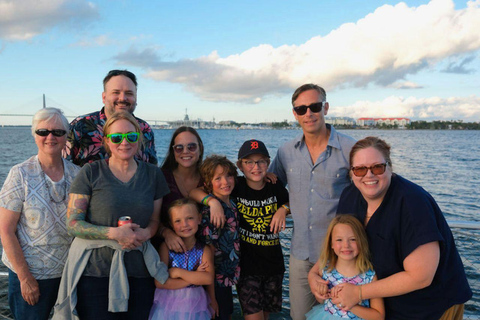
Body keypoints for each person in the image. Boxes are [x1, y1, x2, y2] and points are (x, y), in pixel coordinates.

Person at [332, 136, 472, 319]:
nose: (369, 175)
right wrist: (316, 276)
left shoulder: (413, 203)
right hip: (382, 305)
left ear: (389, 167)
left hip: (429, 307)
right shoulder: (350, 196)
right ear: (351, 172)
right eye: (359, 169)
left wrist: (358, 293)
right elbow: (338, 242)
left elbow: (421, 276)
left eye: (377, 167)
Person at [61, 111, 169, 319]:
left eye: (131, 136)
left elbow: (155, 220)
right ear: (106, 142)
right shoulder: (90, 172)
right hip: (95, 275)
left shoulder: (153, 174)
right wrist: (115, 234)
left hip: (140, 273)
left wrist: (145, 234)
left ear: (139, 139)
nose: (124, 143)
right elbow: (73, 224)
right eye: (117, 137)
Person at [268, 84, 356, 320]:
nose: (309, 113)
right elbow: (270, 187)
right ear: (295, 114)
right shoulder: (286, 152)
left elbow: (369, 191)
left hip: (341, 255)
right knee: (300, 316)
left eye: (314, 106)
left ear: (325, 107)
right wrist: (284, 208)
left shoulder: (350, 149)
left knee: (341, 315)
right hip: (301, 254)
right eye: (301, 109)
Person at [0, 108, 80, 320]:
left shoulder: (78, 174)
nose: (50, 137)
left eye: (58, 132)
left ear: (66, 137)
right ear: (34, 134)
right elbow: (6, 231)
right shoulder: (20, 174)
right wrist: (25, 278)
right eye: (43, 131)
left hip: (68, 275)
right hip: (31, 275)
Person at [234, 139, 289, 320]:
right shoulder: (236, 186)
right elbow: (201, 191)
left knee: (265, 316)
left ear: (268, 163)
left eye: (261, 161)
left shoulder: (275, 186)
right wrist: (210, 201)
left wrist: (284, 209)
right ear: (240, 166)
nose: (255, 167)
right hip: (247, 268)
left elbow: (294, 200)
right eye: (249, 162)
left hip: (273, 266)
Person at [64, 69, 157, 166]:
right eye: (116, 92)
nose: (122, 98)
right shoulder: (80, 126)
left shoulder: (145, 129)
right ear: (104, 97)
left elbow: (152, 170)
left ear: (136, 97)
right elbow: (63, 168)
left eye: (129, 93)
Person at [306, 215, 384, 320]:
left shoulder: (369, 276)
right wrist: (321, 292)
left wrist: (350, 305)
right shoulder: (325, 269)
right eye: (339, 240)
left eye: (353, 239)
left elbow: (378, 316)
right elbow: (321, 301)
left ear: (361, 242)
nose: (346, 245)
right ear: (331, 244)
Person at [149, 198, 214, 320]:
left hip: (195, 306)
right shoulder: (166, 248)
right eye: (178, 221)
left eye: (190, 218)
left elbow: (207, 278)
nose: (184, 224)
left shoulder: (204, 249)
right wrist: (194, 278)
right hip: (168, 306)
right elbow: (160, 282)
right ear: (171, 225)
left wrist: (178, 272)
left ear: (199, 219)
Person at [198, 155, 240, 320]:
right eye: (218, 178)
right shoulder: (211, 212)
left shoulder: (233, 204)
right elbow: (207, 251)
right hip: (215, 281)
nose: (225, 182)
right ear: (208, 184)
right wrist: (212, 297)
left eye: (229, 175)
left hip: (227, 278)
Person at [155, 126, 205, 252]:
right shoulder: (161, 178)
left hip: (204, 253)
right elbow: (151, 219)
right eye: (179, 148)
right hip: (167, 251)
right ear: (173, 152)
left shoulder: (210, 178)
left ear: (200, 148)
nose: (185, 151)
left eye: (191, 147)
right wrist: (167, 233)